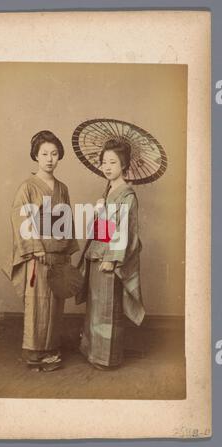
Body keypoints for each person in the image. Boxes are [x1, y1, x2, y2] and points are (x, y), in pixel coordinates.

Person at [2, 130, 79, 371]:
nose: (49, 158)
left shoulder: (62, 188)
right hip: (38, 255)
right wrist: (35, 249)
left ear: (59, 156)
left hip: (57, 254)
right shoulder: (28, 187)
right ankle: (34, 353)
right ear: (35, 155)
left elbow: (66, 220)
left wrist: (67, 250)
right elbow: (19, 217)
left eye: (54, 153)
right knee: (38, 303)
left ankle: (50, 350)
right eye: (44, 153)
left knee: (55, 303)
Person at [79, 138, 146, 370]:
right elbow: (104, 232)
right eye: (104, 162)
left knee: (108, 308)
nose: (107, 167)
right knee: (97, 307)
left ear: (124, 165)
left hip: (110, 259)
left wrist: (111, 259)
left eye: (113, 162)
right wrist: (100, 212)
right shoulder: (109, 192)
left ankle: (107, 358)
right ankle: (93, 352)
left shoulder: (126, 195)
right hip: (98, 253)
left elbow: (125, 230)